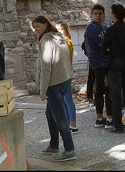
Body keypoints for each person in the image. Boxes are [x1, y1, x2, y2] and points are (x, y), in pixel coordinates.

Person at [32, 16, 76, 162]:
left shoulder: (46, 40)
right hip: (64, 80)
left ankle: (69, 150)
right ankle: (54, 145)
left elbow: (46, 66)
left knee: (60, 119)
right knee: (50, 114)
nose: (36, 29)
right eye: (34, 27)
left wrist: (42, 90)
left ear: (45, 24)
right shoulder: (58, 36)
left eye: (38, 26)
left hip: (53, 84)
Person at [101, 3, 125, 134]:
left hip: (115, 66)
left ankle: (118, 125)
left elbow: (103, 48)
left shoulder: (111, 30)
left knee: (115, 95)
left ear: (114, 15)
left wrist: (110, 49)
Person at [84, 4, 113, 128]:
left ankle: (100, 118)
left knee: (100, 90)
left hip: (105, 62)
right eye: (95, 13)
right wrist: (108, 45)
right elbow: (105, 46)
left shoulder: (105, 27)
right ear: (92, 15)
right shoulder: (91, 28)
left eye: (100, 13)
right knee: (108, 89)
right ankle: (110, 119)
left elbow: (109, 43)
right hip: (98, 63)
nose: (98, 16)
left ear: (104, 14)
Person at [56, 20, 78, 134]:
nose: (57, 32)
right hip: (62, 73)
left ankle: (73, 124)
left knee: (68, 99)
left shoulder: (67, 42)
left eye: (59, 29)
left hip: (66, 73)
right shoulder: (61, 42)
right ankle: (69, 123)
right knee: (64, 100)